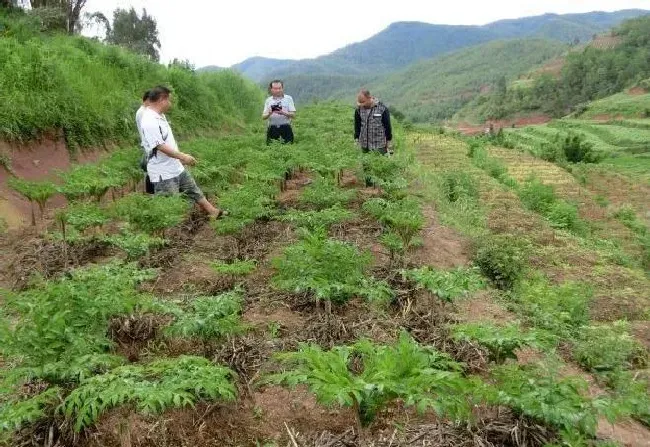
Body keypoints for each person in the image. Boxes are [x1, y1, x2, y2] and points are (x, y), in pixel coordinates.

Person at [140, 86, 224, 218]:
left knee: (193, 190)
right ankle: (166, 234)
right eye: (169, 100)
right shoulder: (149, 120)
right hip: (163, 172)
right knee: (169, 206)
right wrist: (183, 156)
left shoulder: (159, 116)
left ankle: (213, 211)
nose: (170, 104)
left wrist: (179, 159)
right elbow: (160, 146)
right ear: (162, 99)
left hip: (175, 166)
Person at [354, 89, 393, 155]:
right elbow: (357, 125)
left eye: (363, 102)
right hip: (364, 145)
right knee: (366, 164)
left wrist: (388, 140)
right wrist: (356, 138)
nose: (361, 105)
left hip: (379, 145)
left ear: (369, 98)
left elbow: (387, 126)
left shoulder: (382, 109)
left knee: (380, 164)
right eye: (360, 103)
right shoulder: (358, 110)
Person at [262, 80, 296, 144]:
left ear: (282, 88)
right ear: (271, 89)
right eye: (275, 88)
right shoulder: (268, 100)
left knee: (288, 148)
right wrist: (269, 113)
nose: (278, 90)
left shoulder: (288, 99)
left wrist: (283, 112)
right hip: (272, 128)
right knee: (271, 149)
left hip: (286, 128)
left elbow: (293, 115)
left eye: (279, 88)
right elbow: (263, 117)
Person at [135, 90, 154, 194]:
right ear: (147, 100)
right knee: (150, 170)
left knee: (150, 170)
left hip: (148, 145)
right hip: (148, 146)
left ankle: (151, 193)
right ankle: (150, 193)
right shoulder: (143, 112)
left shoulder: (144, 111)